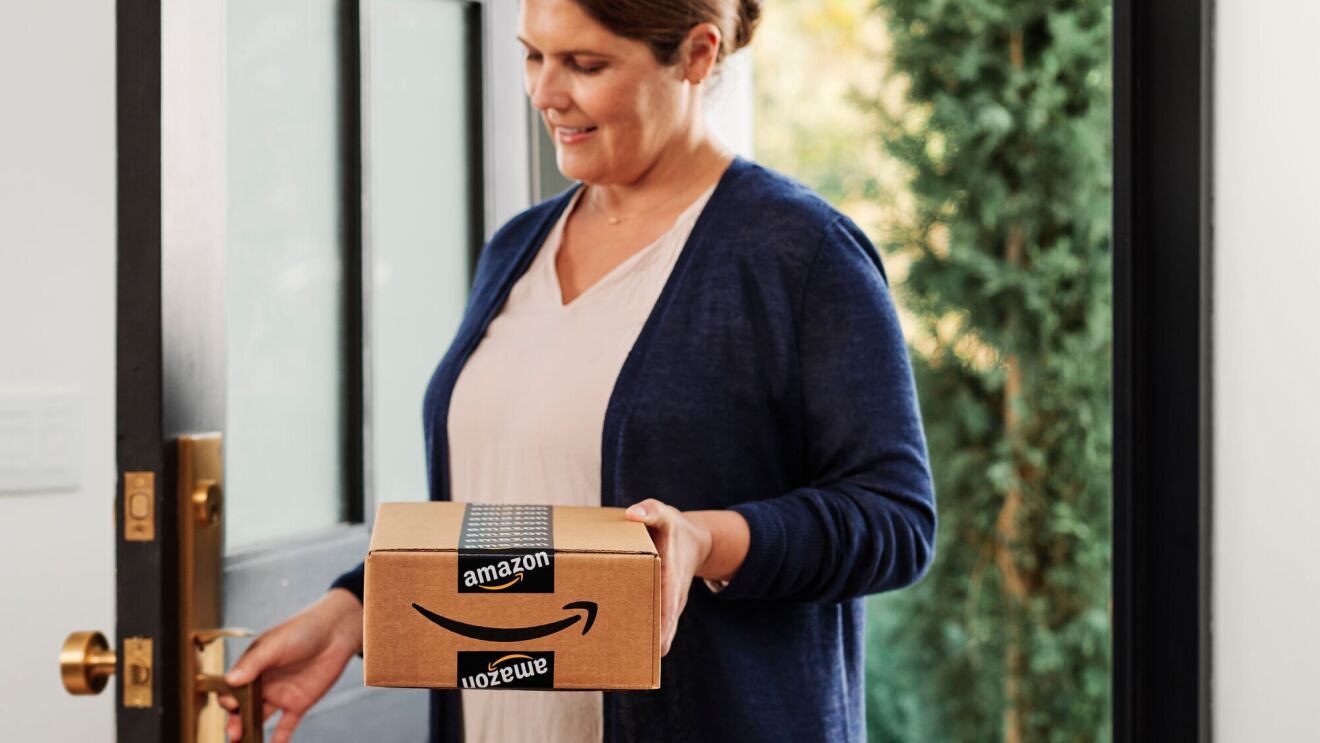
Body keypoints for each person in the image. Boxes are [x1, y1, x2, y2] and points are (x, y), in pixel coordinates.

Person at [220, 0, 937, 741]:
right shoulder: (516, 249)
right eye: (534, 56)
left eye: (585, 65)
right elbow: (518, 509)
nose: (544, 91)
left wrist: (706, 541)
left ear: (695, 55)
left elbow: (895, 517)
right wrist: (351, 612)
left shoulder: (801, 253)